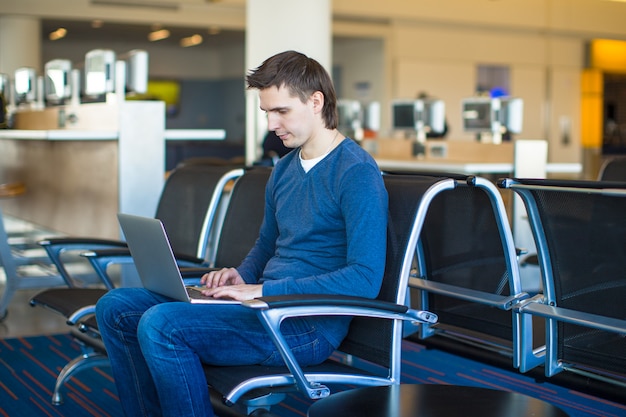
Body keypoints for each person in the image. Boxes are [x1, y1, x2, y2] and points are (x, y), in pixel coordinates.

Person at [95, 50, 388, 417]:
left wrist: (264, 289)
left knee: (162, 325)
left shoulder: (356, 172)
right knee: (116, 307)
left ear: (316, 102)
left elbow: (364, 279)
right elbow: (267, 245)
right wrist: (242, 276)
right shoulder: (284, 169)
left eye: (281, 111)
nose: (270, 124)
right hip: (264, 308)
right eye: (266, 112)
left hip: (305, 325)